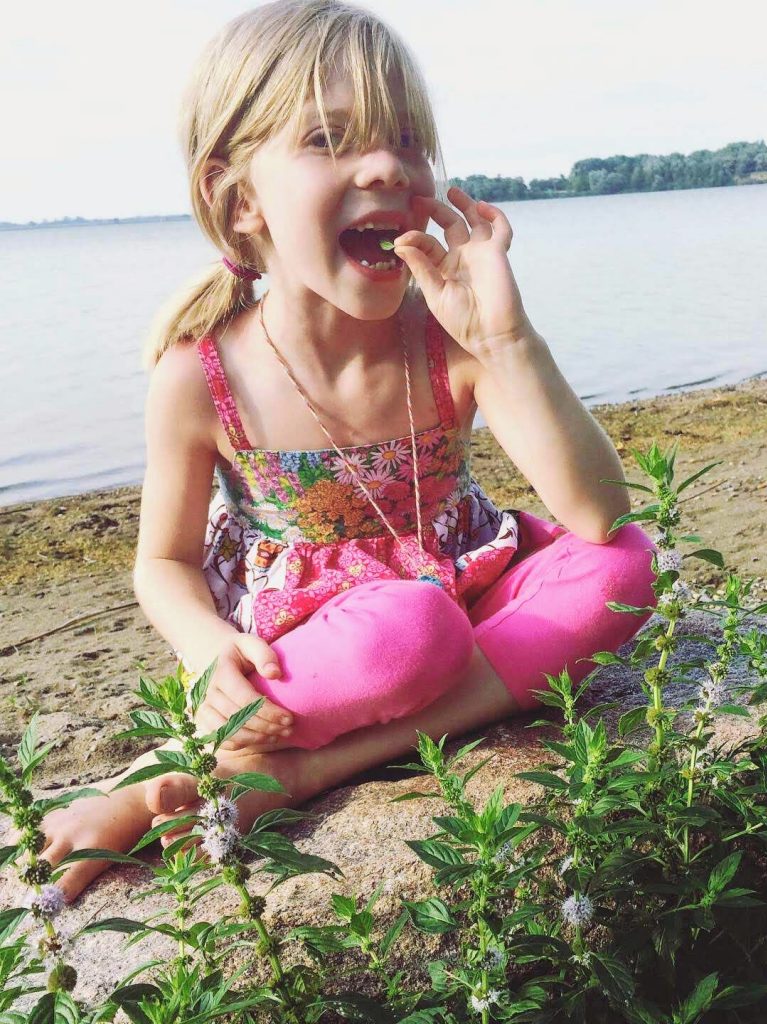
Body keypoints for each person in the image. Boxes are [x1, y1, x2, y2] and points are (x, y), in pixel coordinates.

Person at [36, 0, 657, 902]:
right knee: (410, 627)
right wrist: (212, 651)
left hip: (466, 594)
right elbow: (161, 563)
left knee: (622, 568)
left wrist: (509, 341)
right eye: (330, 138)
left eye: (408, 141)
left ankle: (294, 775)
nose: (386, 166)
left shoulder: (451, 338)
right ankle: (159, 779)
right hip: (322, 652)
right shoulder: (201, 375)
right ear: (238, 196)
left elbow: (599, 515)